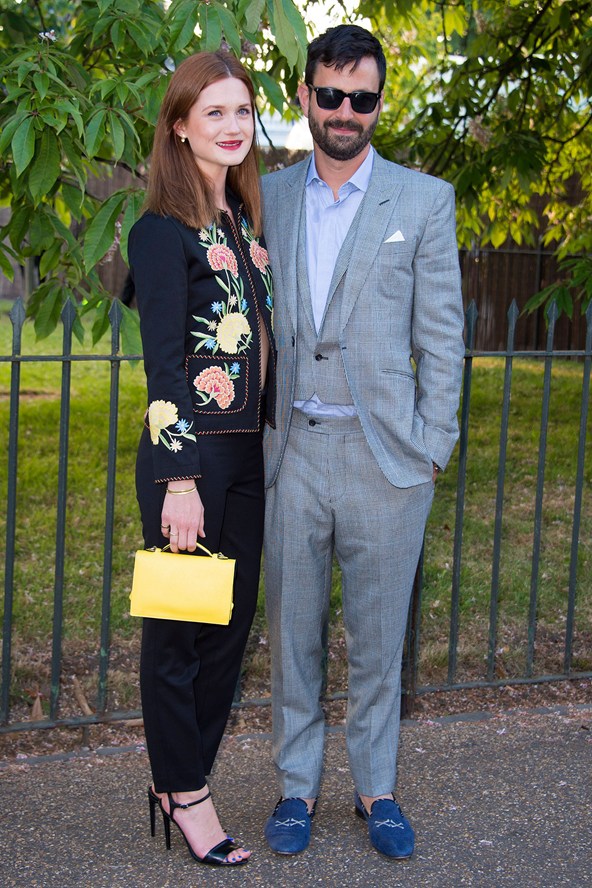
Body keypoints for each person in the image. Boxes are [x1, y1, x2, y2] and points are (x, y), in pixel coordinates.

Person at [261, 25, 465, 859]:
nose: (346, 112)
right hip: (290, 455)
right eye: (331, 94)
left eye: (363, 97)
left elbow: (444, 335)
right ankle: (295, 788)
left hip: (388, 461)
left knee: (380, 642)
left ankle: (376, 788)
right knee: (292, 636)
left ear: (380, 103)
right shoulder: (265, 196)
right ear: (305, 96)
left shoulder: (422, 201)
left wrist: (433, 444)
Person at [128, 50, 275, 867]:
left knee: (229, 626)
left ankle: (177, 772)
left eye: (242, 112)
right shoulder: (158, 232)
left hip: (247, 457)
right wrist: (179, 478)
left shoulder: (241, 231)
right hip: (188, 462)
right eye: (212, 112)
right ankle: (187, 793)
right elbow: (163, 367)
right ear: (180, 128)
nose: (231, 126)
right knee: (179, 631)